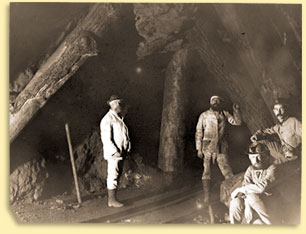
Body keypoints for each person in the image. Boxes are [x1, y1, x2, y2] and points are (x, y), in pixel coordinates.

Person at [195, 95, 242, 206]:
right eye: (213, 100)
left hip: (221, 145)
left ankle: (232, 196)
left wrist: (236, 111)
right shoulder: (204, 115)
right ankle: (207, 199)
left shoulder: (225, 113)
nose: (216, 102)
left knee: (227, 171)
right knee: (206, 172)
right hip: (207, 145)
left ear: (220, 103)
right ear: (210, 102)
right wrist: (198, 148)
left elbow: (237, 122)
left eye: (218, 100)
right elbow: (198, 132)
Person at [229, 142, 276, 224]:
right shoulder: (250, 169)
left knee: (252, 197)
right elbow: (246, 187)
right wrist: (247, 206)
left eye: (259, 157)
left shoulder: (272, 168)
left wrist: (240, 189)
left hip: (268, 202)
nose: (256, 160)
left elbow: (262, 187)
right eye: (253, 157)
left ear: (266, 157)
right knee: (235, 202)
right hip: (251, 202)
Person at [100, 95, 131, 207]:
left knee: (117, 174)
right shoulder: (107, 119)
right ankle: (111, 200)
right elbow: (106, 138)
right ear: (113, 104)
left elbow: (124, 135)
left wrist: (127, 148)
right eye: (118, 103)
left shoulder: (118, 118)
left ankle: (113, 198)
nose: (120, 106)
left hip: (120, 152)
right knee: (113, 174)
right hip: (114, 153)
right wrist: (114, 151)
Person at [250, 99, 301, 163]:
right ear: (274, 111)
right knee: (261, 139)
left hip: (295, 156)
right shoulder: (279, 126)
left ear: (286, 109)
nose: (278, 112)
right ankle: (258, 160)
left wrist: (296, 151)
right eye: (276, 110)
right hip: (283, 154)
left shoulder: (294, 121)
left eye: (281, 109)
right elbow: (267, 131)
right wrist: (257, 135)